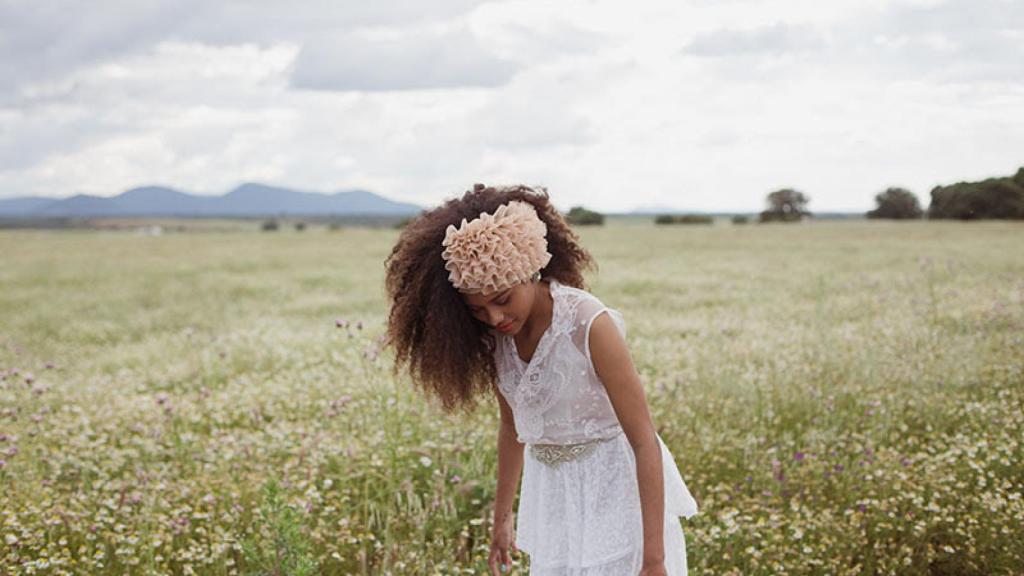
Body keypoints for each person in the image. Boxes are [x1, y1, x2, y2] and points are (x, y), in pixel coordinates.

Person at [384, 183, 699, 575]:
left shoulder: (590, 324)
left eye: (501, 300)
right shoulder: (496, 341)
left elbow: (643, 440)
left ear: (532, 272)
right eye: (478, 310)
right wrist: (502, 520)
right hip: (553, 500)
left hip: (616, 495)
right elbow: (511, 425)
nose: (495, 319)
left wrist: (654, 560)